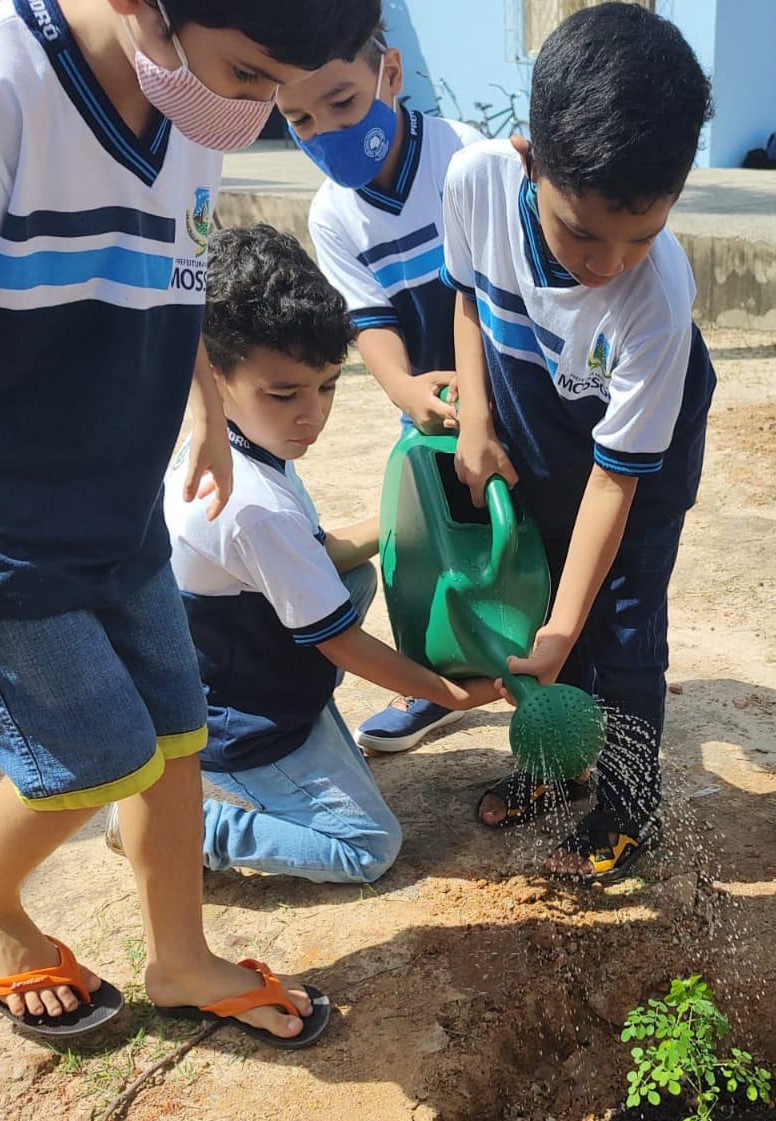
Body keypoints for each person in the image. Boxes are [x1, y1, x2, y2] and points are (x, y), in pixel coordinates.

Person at [0, 0, 379, 1045]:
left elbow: (181, 276)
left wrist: (207, 414)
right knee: (90, 761)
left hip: (121, 513)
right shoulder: (6, 92)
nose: (255, 111)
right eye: (249, 75)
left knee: (175, 732)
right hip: (10, 536)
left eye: (279, 90)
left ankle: (180, 956)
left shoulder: (192, 108)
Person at [443, 3, 716, 880]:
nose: (608, 264)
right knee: (543, 597)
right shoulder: (476, 182)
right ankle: (557, 764)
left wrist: (568, 627)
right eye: (583, 231)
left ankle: (632, 811)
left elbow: (615, 483)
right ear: (528, 160)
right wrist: (477, 417)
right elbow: (466, 297)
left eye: (644, 234)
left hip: (637, 469)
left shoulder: (655, 299)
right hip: (534, 418)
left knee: (619, 629)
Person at [160, 224, 499, 883]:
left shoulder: (238, 444)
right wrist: (449, 694)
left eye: (328, 387)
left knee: (354, 576)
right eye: (284, 394)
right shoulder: (251, 505)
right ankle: (180, 826)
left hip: (239, 661)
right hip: (244, 724)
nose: (311, 416)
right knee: (368, 847)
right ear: (214, 375)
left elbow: (314, 554)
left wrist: (421, 511)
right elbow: (340, 642)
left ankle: (301, 715)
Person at [275, 30, 483, 757]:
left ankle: (540, 670)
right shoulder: (333, 214)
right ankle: (433, 681)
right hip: (424, 409)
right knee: (423, 549)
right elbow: (372, 321)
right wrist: (405, 390)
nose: (325, 131)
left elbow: (495, 290)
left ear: (389, 73)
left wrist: (481, 395)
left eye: (342, 103)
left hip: (504, 392)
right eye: (300, 119)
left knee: (516, 533)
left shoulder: (464, 156)